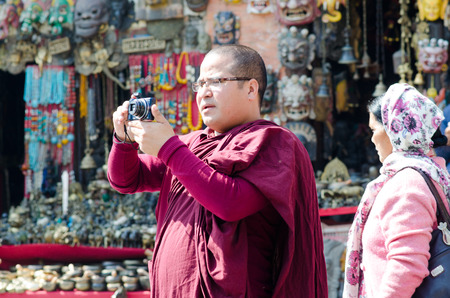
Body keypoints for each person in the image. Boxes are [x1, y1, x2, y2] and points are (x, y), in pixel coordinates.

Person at [108, 44, 328, 297]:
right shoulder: (191, 145)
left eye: (216, 81)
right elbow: (126, 180)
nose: (204, 93)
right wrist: (123, 141)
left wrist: (168, 148)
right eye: (200, 84)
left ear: (251, 88)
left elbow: (230, 203)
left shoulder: (274, 142)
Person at [343, 83, 450, 297]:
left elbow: (406, 266)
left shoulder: (407, 183)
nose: (372, 139)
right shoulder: (426, 171)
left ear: (396, 129)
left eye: (375, 130)